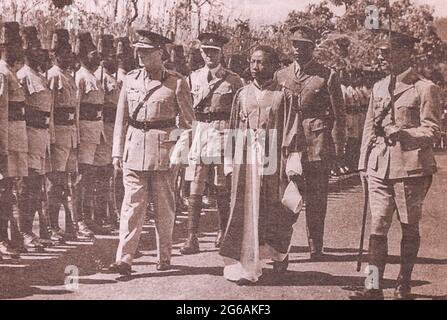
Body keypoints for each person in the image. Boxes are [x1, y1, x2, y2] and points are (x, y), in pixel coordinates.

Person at [354, 30, 440, 300]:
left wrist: (404, 134)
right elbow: (369, 126)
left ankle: (404, 283)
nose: (382, 56)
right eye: (381, 52)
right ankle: (372, 286)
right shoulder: (379, 87)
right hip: (379, 166)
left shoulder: (424, 88)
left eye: (387, 51)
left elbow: (433, 130)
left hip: (411, 168)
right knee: (377, 226)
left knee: (408, 225)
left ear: (406, 53)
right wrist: (362, 164)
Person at [109, 30, 195, 275]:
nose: (140, 55)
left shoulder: (177, 82)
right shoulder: (130, 80)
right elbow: (121, 120)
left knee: (164, 208)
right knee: (132, 206)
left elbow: (188, 124)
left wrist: (180, 155)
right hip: (134, 151)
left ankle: (164, 256)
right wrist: (117, 152)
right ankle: (124, 259)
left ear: (161, 54)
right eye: (138, 50)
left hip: (164, 153)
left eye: (146, 51)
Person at [219, 45, 305, 284]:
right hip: (246, 161)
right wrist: (229, 162)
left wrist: (292, 165)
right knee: (245, 210)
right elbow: (234, 129)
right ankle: (247, 265)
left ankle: (279, 256)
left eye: (262, 62)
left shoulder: (285, 95)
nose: (256, 67)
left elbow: (292, 132)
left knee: (274, 208)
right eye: (253, 62)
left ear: (274, 66)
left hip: (273, 160)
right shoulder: (242, 94)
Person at [274, 25, 346, 260]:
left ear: (313, 47)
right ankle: (281, 247)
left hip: (317, 142)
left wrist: (337, 146)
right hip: (289, 142)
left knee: (316, 198)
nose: (298, 49)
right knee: (287, 195)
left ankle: (316, 246)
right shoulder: (281, 75)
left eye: (303, 45)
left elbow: (338, 114)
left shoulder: (327, 75)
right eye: (295, 44)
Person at [180, 33, 243, 255]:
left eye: (214, 51)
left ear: (221, 53)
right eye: (206, 51)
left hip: (222, 132)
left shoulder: (233, 80)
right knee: (195, 185)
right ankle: (191, 237)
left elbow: (239, 113)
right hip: (200, 131)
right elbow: (186, 108)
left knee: (220, 186)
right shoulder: (193, 78)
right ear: (201, 52)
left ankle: (222, 232)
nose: (209, 55)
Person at [16, 26, 53, 251]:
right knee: (25, 186)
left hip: (42, 136)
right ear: (27, 52)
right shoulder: (22, 76)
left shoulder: (39, 76)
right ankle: (24, 231)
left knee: (36, 185)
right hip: (28, 135)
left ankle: (31, 231)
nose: (41, 52)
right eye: (35, 48)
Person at [46, 29, 80, 242]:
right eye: (62, 53)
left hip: (69, 133)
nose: (67, 56)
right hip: (57, 133)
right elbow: (49, 109)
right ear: (55, 55)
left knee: (67, 182)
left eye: (69, 53)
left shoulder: (68, 76)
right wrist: (51, 137)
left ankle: (68, 225)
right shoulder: (53, 75)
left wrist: (75, 138)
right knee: (55, 182)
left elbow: (74, 112)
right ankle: (51, 225)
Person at [0, 21, 29, 257]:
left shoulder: (12, 72)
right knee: (3, 192)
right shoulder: (2, 72)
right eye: (11, 45)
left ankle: (12, 236)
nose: (17, 49)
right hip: (5, 140)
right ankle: (3, 238)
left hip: (16, 138)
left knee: (10, 190)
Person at [74, 32, 104, 237]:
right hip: (84, 131)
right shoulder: (80, 77)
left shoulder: (94, 76)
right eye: (93, 54)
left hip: (96, 132)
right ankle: (78, 220)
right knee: (82, 177)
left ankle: (89, 217)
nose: (98, 57)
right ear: (84, 56)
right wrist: (76, 136)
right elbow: (75, 109)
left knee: (92, 177)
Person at [93, 34, 120, 232]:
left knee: (111, 174)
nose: (113, 59)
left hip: (114, 130)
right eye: (109, 55)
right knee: (101, 174)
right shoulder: (97, 76)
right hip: (102, 129)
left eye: (115, 55)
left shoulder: (115, 77)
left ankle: (110, 213)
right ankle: (99, 215)